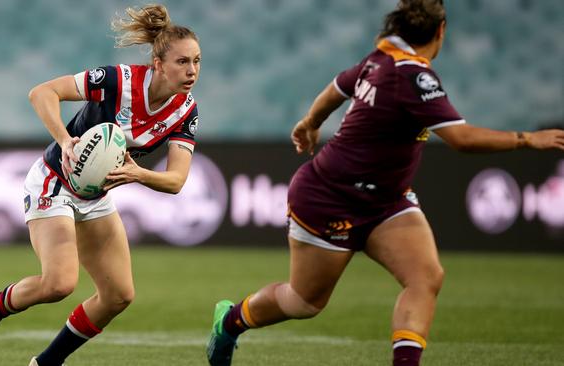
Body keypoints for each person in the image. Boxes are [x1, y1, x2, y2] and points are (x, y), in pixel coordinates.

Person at [206, 1, 564, 365]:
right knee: (304, 302)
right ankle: (230, 322)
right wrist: (527, 139)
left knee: (426, 277)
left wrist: (310, 122)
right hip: (330, 197)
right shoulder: (412, 76)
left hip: (386, 202)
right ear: (441, 31)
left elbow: (336, 88)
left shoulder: (381, 58)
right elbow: (463, 139)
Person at [0, 4, 201, 366]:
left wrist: (139, 175)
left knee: (118, 295)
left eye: (197, 61)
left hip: (95, 196)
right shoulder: (118, 80)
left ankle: (47, 362)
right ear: (158, 64)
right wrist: (65, 140)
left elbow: (177, 180)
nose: (192, 70)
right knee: (58, 284)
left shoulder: (186, 111)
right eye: (183, 62)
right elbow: (42, 93)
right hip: (54, 182)